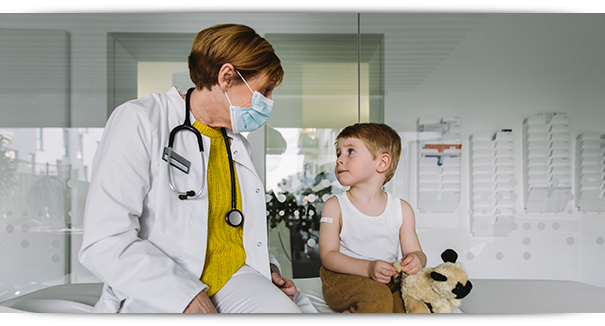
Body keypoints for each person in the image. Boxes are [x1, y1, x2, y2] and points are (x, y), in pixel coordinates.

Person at [79, 24, 315, 313]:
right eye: (263, 90)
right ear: (227, 76)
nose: (267, 102)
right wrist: (184, 295)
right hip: (159, 282)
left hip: (231, 279)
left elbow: (236, 229)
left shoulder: (237, 144)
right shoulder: (141, 120)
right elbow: (104, 240)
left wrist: (268, 269)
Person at [318, 122, 427, 313]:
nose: (339, 160)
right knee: (378, 297)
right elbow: (328, 256)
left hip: (384, 279)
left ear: (382, 163)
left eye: (350, 151)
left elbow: (416, 252)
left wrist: (416, 260)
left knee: (404, 304)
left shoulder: (402, 209)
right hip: (340, 277)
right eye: (338, 153)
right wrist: (368, 269)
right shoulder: (335, 206)